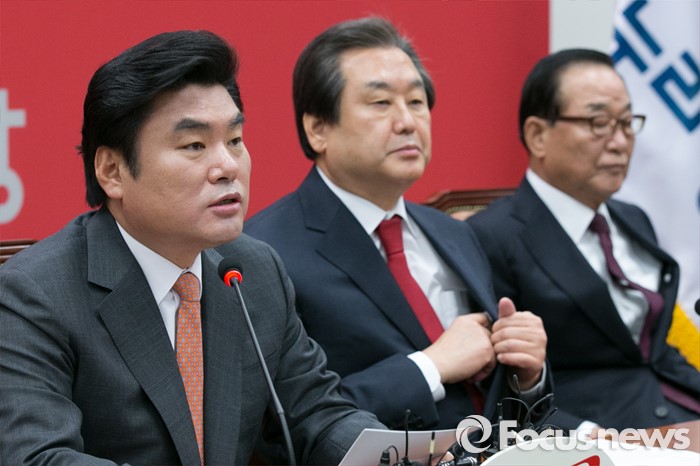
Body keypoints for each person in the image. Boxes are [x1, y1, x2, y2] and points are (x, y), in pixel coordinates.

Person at [0, 30, 385, 465]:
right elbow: (39, 457)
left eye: (235, 140)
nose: (227, 166)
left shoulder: (254, 271)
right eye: (194, 145)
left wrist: (407, 454)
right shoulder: (34, 296)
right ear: (112, 171)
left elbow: (319, 416)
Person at [244, 17, 549, 432]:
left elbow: (496, 395)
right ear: (318, 129)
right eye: (381, 103)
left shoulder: (455, 233)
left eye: (417, 102)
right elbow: (283, 425)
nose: (407, 122)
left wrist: (527, 375)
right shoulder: (264, 254)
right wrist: (430, 366)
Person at [467, 48, 700, 431]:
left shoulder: (632, 219)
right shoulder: (491, 237)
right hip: (596, 434)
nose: (620, 142)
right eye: (598, 123)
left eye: (627, 122)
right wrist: (592, 440)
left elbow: (653, 348)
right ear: (538, 135)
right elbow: (500, 389)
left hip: (679, 411)